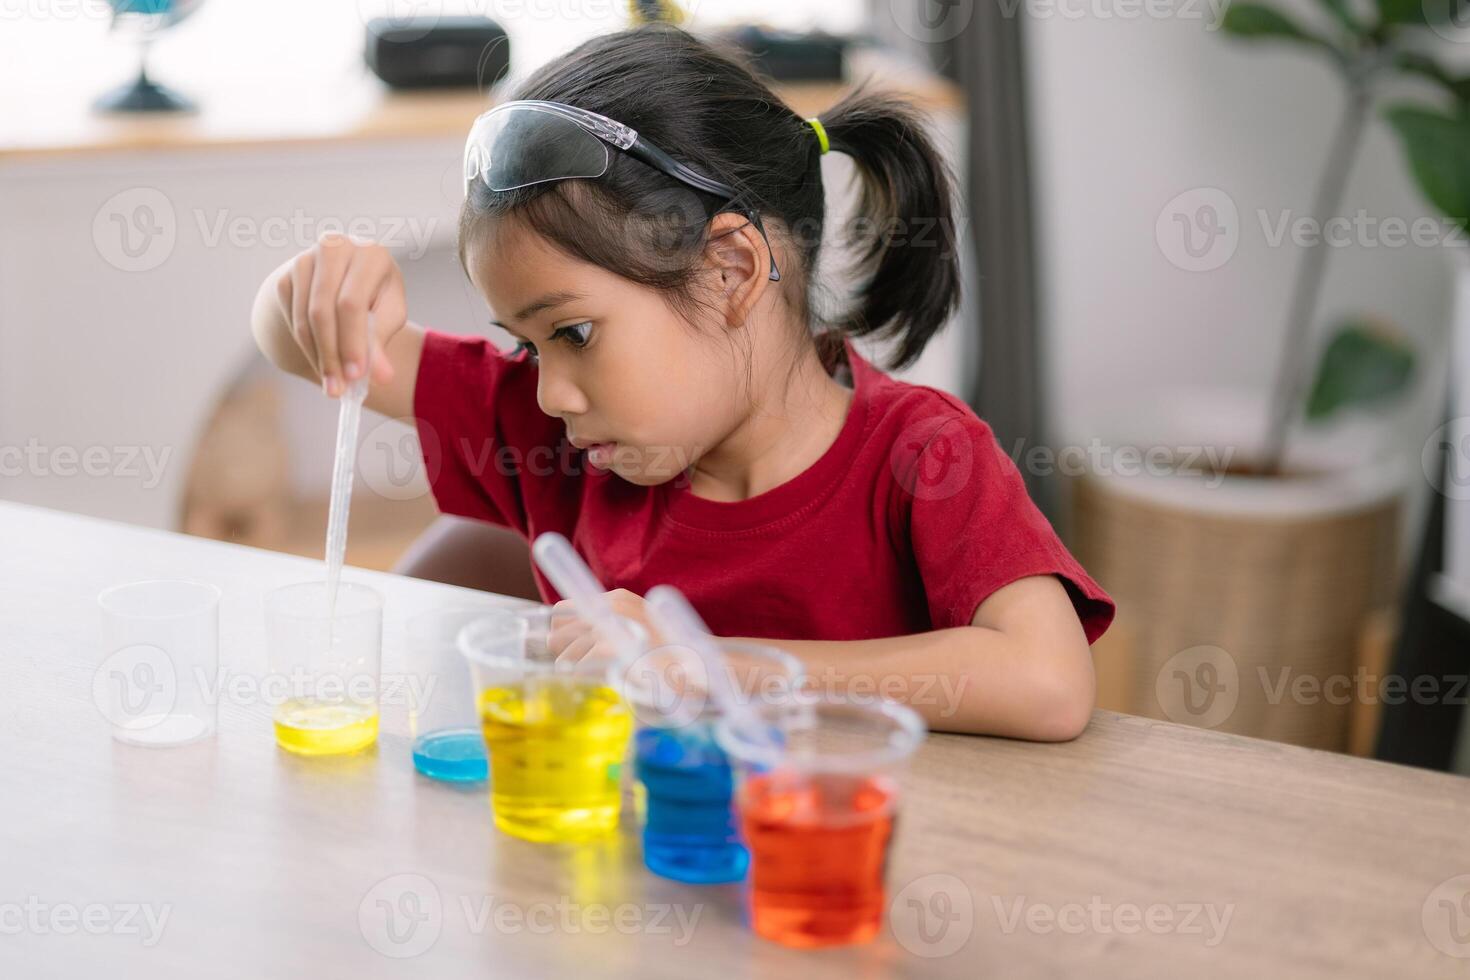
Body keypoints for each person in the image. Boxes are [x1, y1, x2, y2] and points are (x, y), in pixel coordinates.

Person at [251, 26, 1114, 738]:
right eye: (526, 344)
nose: (550, 390)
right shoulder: (552, 435)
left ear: (733, 270)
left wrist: (709, 663)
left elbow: (1047, 682)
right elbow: (311, 344)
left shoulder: (924, 456)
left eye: (574, 332)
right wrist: (318, 293)